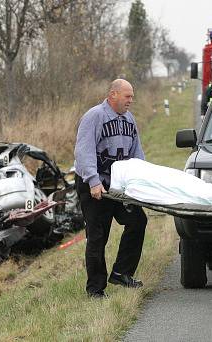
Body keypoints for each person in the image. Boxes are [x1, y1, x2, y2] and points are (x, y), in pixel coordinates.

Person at [74, 79, 149, 298]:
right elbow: (83, 151)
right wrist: (94, 181)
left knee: (137, 221)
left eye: (132, 96)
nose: (131, 100)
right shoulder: (94, 116)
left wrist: (140, 180)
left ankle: (121, 273)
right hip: (94, 184)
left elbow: (137, 152)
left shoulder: (129, 119)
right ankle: (95, 289)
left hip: (118, 184)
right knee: (98, 236)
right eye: (127, 96)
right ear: (113, 95)